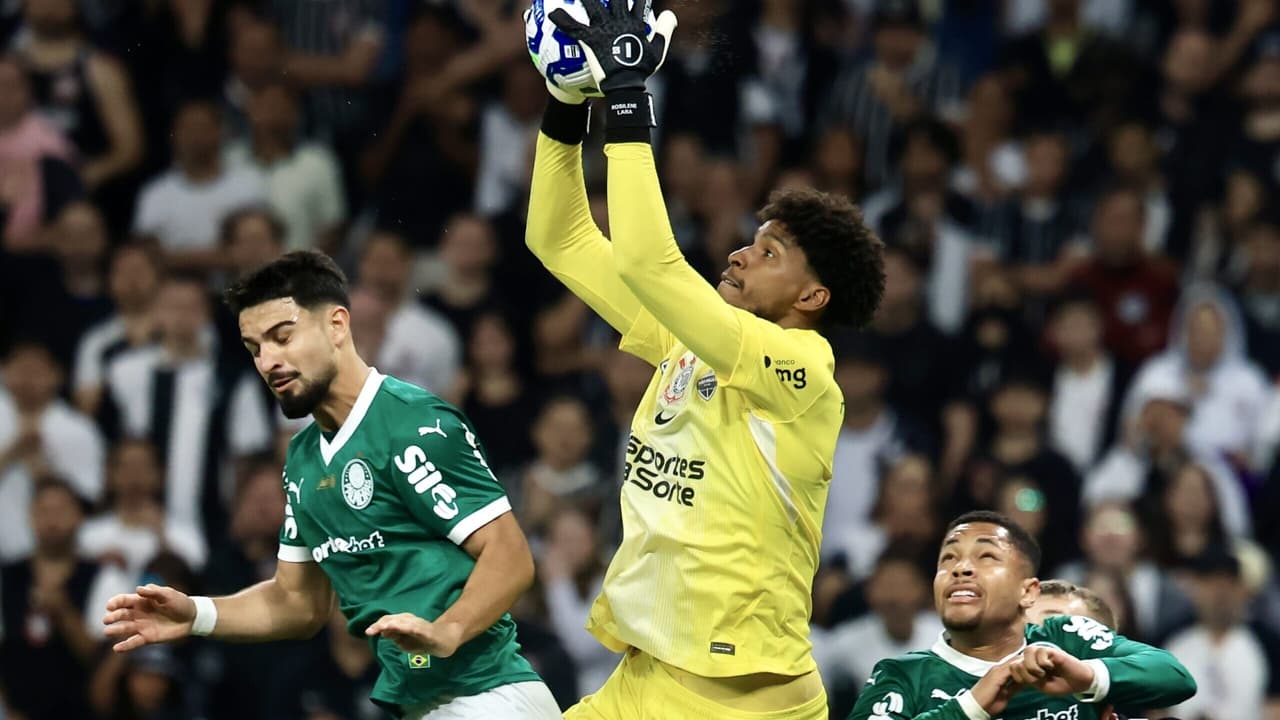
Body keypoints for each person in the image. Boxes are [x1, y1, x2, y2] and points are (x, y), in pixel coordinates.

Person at [527, 2, 885, 718]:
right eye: (752, 239)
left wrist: (627, 98)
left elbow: (649, 264)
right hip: (646, 678)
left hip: (740, 700)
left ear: (812, 295)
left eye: (769, 252)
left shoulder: (805, 373)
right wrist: (567, 103)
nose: (741, 254)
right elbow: (558, 238)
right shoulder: (690, 339)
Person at [102, 250, 560, 719]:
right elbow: (297, 602)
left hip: (490, 697)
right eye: (255, 348)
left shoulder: (412, 424)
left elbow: (509, 554)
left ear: (337, 325)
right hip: (425, 707)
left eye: (282, 337)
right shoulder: (302, 461)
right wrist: (198, 614)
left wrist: (449, 630)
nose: (268, 361)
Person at [848, 510, 1197, 720]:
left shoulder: (1064, 639)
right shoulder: (902, 676)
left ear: (1028, 592)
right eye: (948, 558)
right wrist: (970, 708)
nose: (961, 568)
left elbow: (1175, 677)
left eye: (986, 557)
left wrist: (1085, 675)